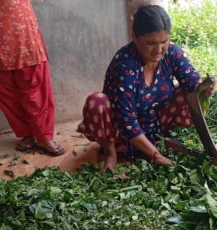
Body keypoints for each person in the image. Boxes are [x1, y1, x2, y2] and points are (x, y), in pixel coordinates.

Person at [77, 5, 207, 172]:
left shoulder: (172, 53)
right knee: (97, 102)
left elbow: (192, 84)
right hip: (122, 133)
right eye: (151, 43)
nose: (159, 50)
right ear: (135, 37)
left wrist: (203, 90)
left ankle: (164, 140)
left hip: (157, 124)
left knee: (189, 94)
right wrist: (156, 156)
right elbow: (126, 120)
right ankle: (111, 153)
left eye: (164, 41)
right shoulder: (124, 64)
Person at [0, 0, 65, 156]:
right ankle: (26, 133)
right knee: (2, 87)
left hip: (16, 17)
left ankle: (44, 136)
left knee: (33, 78)